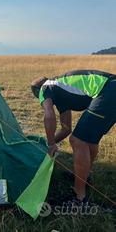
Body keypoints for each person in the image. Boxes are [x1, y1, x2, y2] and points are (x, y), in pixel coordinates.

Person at [31, 70, 116, 203]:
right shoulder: (61, 92)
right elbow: (66, 129)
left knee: (78, 140)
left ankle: (79, 196)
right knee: (90, 141)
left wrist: (51, 144)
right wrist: (49, 143)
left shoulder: (45, 87)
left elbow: (48, 114)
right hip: (110, 89)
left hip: (107, 90)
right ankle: (84, 176)